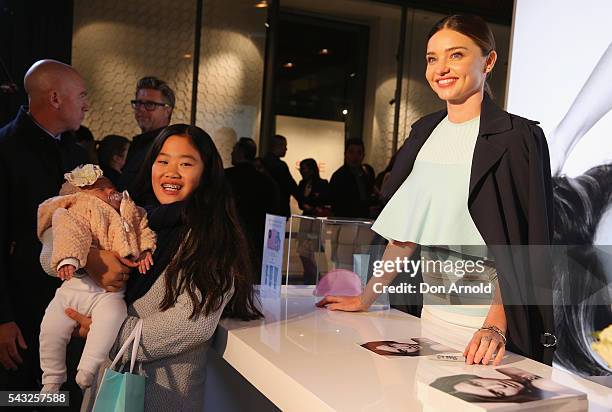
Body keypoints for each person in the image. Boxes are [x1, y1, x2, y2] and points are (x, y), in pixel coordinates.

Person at [317, 14, 556, 366]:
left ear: (488, 61)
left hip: (490, 334)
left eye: (456, 55)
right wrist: (367, 296)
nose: (441, 68)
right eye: (432, 58)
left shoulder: (518, 137)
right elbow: (407, 230)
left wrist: (497, 323)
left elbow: (525, 242)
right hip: (428, 319)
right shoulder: (424, 133)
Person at [41, 124, 261, 410]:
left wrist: (104, 330)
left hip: (164, 391)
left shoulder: (215, 237)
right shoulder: (130, 216)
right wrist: (92, 261)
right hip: (107, 382)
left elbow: (192, 324)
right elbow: (50, 252)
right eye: (163, 160)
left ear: (206, 173)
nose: (172, 171)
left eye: (186, 163)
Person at [0, 60, 90, 400]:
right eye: (81, 95)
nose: (86, 103)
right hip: (20, 312)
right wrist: (2, 318)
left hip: (70, 306)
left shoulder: (75, 153)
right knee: (19, 397)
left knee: (63, 395)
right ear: (55, 98)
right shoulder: (5, 150)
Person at [37, 164, 155, 392]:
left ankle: (89, 368)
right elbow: (70, 234)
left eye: (111, 187)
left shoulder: (130, 211)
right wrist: (70, 259)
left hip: (109, 294)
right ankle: (52, 377)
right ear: (83, 195)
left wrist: (146, 250)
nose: (110, 192)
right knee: (50, 328)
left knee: (113, 316)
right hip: (74, 288)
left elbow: (143, 229)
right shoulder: (77, 210)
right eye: (101, 189)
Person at [225, 137, 280, 277]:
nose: (231, 153)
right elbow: (273, 208)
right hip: (257, 240)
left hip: (229, 237)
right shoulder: (266, 181)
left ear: (240, 152)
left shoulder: (226, 177)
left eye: (233, 150)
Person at [119, 76, 174, 191]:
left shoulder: (167, 147)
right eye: (138, 103)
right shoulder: (138, 143)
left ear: (167, 110)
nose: (141, 109)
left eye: (150, 105)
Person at [430, 367, 580, 404]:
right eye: (498, 394)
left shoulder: (510, 369)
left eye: (476, 383)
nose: (499, 386)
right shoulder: (545, 387)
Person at [329, 138, 378, 218]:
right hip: (345, 222)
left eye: (359, 153)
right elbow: (337, 205)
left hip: (364, 221)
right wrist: (366, 211)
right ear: (345, 154)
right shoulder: (338, 177)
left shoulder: (366, 175)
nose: (355, 157)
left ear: (363, 155)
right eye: (351, 152)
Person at [262, 134, 299, 217]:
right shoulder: (280, 165)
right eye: (284, 146)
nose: (286, 149)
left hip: (264, 208)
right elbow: (290, 184)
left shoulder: (262, 162)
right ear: (278, 146)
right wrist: (303, 201)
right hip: (278, 209)